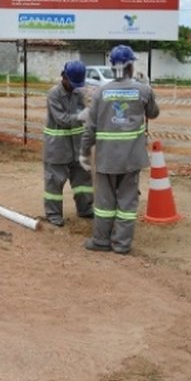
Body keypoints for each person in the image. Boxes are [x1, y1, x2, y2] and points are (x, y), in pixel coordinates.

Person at [80, 45, 159, 254]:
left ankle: (100, 241)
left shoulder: (100, 93)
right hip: (132, 158)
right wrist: (148, 88)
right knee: (127, 202)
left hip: (106, 158)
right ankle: (122, 244)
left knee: (104, 202)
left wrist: (84, 151)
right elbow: (154, 113)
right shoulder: (142, 90)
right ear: (130, 66)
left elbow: (91, 127)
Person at [42, 60, 93, 226]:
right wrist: (80, 117)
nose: (74, 87)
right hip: (57, 148)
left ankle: (85, 209)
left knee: (83, 181)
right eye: (72, 82)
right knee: (55, 182)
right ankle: (54, 214)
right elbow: (62, 120)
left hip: (77, 146)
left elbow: (86, 114)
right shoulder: (54, 95)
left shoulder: (79, 94)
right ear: (63, 77)